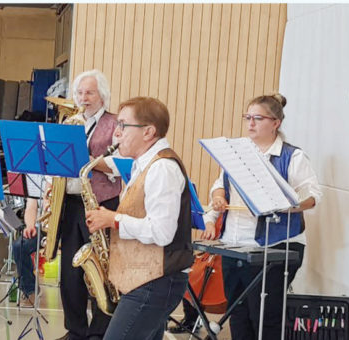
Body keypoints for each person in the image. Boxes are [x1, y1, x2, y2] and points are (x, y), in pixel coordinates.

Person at [211, 94, 321, 340]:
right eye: (247, 117)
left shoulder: (293, 156)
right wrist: (219, 197)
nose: (250, 123)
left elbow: (313, 196)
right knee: (237, 314)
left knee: (264, 316)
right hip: (234, 242)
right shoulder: (235, 153)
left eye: (258, 118)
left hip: (276, 245)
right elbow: (220, 184)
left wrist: (285, 205)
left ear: (275, 123)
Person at [84, 96, 193, 339]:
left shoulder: (162, 168)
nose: (116, 134)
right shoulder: (142, 165)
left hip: (157, 280)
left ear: (148, 132)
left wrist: (114, 220)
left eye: (123, 125)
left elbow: (162, 232)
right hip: (146, 277)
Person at [52, 69, 122, 340]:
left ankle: (100, 331)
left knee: (101, 267)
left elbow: (118, 166)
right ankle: (75, 329)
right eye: (80, 93)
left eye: (89, 92)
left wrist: (86, 157)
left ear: (102, 95)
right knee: (70, 271)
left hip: (101, 203)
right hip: (70, 203)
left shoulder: (116, 123)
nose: (83, 98)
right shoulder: (70, 122)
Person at [12, 198, 41, 307]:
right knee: (19, 246)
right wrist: (30, 226)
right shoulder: (34, 182)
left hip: (61, 225)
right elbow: (31, 207)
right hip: (41, 228)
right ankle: (30, 289)